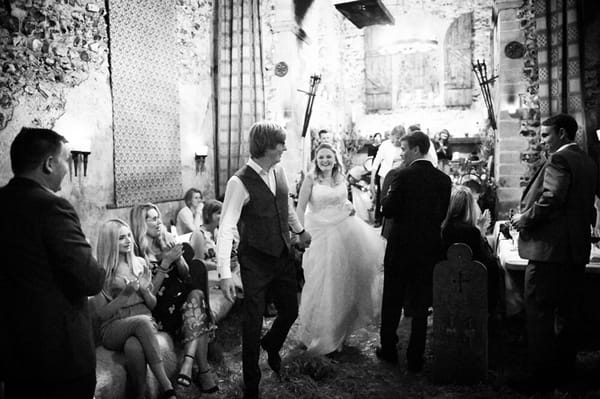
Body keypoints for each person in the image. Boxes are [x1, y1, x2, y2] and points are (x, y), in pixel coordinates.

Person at [0, 127, 106, 399]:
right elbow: (90, 280)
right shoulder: (52, 207)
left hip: (14, 352)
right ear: (49, 163)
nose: (68, 168)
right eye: (66, 160)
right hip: (59, 355)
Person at [216, 121, 311, 399]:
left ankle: (271, 344)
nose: (284, 147)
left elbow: (286, 207)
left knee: (291, 311)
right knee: (252, 322)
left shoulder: (279, 170)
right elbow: (226, 228)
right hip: (255, 260)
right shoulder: (238, 182)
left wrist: (300, 231)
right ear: (266, 147)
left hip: (282, 254)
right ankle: (252, 385)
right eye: (280, 143)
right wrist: (223, 273)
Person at [509, 114, 598, 394]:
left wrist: (524, 218)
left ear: (562, 133)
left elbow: (550, 200)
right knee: (567, 315)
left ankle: (540, 378)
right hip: (575, 251)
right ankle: (564, 373)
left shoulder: (560, 160)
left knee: (538, 315)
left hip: (549, 252)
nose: (542, 140)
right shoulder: (587, 161)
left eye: (546, 135)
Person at [296, 143, 384, 355]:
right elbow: (300, 207)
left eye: (328, 157)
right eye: (321, 158)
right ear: (316, 161)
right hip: (319, 233)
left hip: (344, 231)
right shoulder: (310, 179)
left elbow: (343, 200)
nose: (325, 161)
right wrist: (299, 233)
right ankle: (318, 333)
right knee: (320, 282)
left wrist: (349, 206)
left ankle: (338, 332)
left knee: (342, 281)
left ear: (335, 159)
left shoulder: (340, 177)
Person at [376, 131, 451, 372]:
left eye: (404, 148)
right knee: (420, 303)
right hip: (428, 248)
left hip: (401, 247)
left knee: (392, 299)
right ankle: (415, 356)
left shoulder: (400, 175)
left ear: (417, 149)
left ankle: (388, 349)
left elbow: (387, 210)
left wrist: (387, 199)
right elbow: (441, 215)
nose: (401, 153)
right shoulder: (443, 180)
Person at [130, 204, 218, 393]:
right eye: (152, 219)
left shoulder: (165, 241)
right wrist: (166, 263)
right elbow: (149, 294)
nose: (158, 222)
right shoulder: (137, 254)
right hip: (161, 309)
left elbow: (186, 276)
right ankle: (203, 370)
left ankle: (188, 364)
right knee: (197, 306)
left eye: (158, 217)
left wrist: (178, 259)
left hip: (183, 301)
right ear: (141, 223)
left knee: (196, 295)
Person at [95, 219, 176, 399]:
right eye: (121, 238)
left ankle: (141, 394)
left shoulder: (140, 263)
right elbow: (102, 314)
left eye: (129, 235)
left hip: (144, 323)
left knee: (134, 347)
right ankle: (168, 386)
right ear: (109, 243)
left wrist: (143, 291)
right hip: (113, 327)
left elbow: (152, 304)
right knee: (142, 322)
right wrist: (125, 294)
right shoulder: (102, 272)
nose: (128, 240)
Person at [441, 186, 500, 316]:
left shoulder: (444, 229)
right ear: (468, 208)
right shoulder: (471, 231)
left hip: (448, 279)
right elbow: (484, 260)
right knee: (497, 267)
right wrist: (482, 234)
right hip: (471, 280)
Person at [370, 125, 405, 227]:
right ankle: (379, 219)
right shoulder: (385, 145)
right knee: (383, 198)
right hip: (385, 175)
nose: (397, 140)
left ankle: (392, 221)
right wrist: (372, 181)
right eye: (395, 137)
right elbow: (376, 163)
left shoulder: (405, 145)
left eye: (399, 138)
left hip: (399, 176)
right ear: (392, 135)